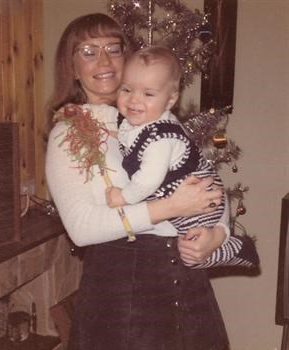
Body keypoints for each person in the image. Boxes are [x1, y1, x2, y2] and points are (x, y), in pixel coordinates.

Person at [45, 13, 229, 350]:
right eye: (88, 51)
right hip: (120, 301)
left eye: (113, 49)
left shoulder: (152, 115)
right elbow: (82, 228)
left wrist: (218, 234)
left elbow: (205, 179)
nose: (103, 60)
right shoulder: (69, 133)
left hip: (186, 290)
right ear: (71, 68)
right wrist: (170, 207)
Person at [105, 45, 257, 269]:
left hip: (204, 200)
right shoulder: (138, 122)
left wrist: (123, 197)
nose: (134, 100)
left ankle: (236, 249)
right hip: (186, 199)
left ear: (170, 101)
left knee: (192, 255)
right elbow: (130, 140)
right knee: (188, 250)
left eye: (148, 94)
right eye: (127, 90)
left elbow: (148, 180)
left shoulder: (161, 138)